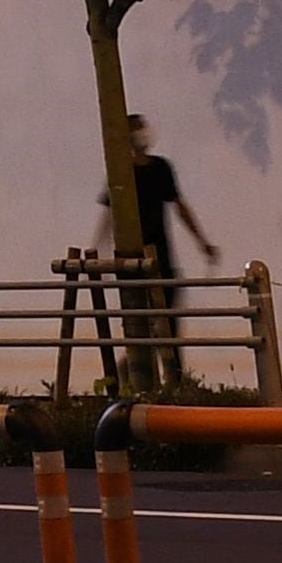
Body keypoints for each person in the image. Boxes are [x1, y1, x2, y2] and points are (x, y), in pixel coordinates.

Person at [91, 113, 219, 386]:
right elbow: (110, 213)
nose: (142, 135)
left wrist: (202, 242)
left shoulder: (161, 168)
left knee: (168, 326)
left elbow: (179, 206)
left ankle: (170, 381)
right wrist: (99, 251)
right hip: (131, 260)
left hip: (161, 257)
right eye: (136, 131)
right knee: (142, 329)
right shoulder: (121, 171)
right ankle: (136, 379)